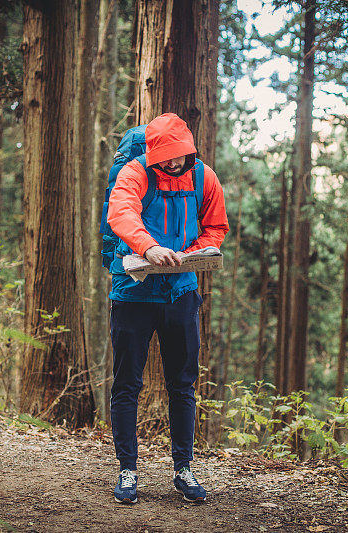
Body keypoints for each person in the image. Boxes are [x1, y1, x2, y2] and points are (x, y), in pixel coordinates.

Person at [106, 113, 229, 504]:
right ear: (154, 152)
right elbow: (121, 214)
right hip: (134, 292)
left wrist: (194, 253)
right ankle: (128, 470)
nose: (174, 162)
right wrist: (149, 247)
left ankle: (183, 469)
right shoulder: (133, 174)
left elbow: (215, 225)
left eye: (180, 154)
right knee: (128, 384)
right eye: (166, 156)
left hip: (181, 294)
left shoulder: (204, 177)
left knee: (183, 384)